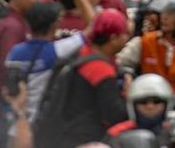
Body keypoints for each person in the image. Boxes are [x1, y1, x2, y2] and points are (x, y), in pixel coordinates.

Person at [38, 9, 131, 148]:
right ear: (113, 38)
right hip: (85, 140)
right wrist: (128, 95)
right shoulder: (101, 69)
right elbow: (115, 116)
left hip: (59, 136)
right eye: (124, 34)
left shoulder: (77, 54)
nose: (126, 39)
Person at [4, 0, 92, 121]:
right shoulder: (57, 50)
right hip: (43, 121)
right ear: (55, 25)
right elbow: (94, 26)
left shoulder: (14, 52)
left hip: (16, 120)